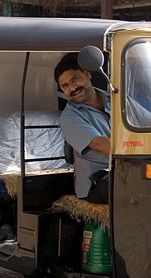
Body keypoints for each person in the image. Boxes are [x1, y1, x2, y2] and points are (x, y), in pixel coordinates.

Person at [55, 53, 111, 204]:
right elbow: (103, 145)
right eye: (65, 86)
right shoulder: (69, 118)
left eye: (75, 79)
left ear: (87, 74)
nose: (72, 88)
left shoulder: (115, 98)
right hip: (98, 181)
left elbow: (150, 123)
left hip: (128, 170)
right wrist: (145, 147)